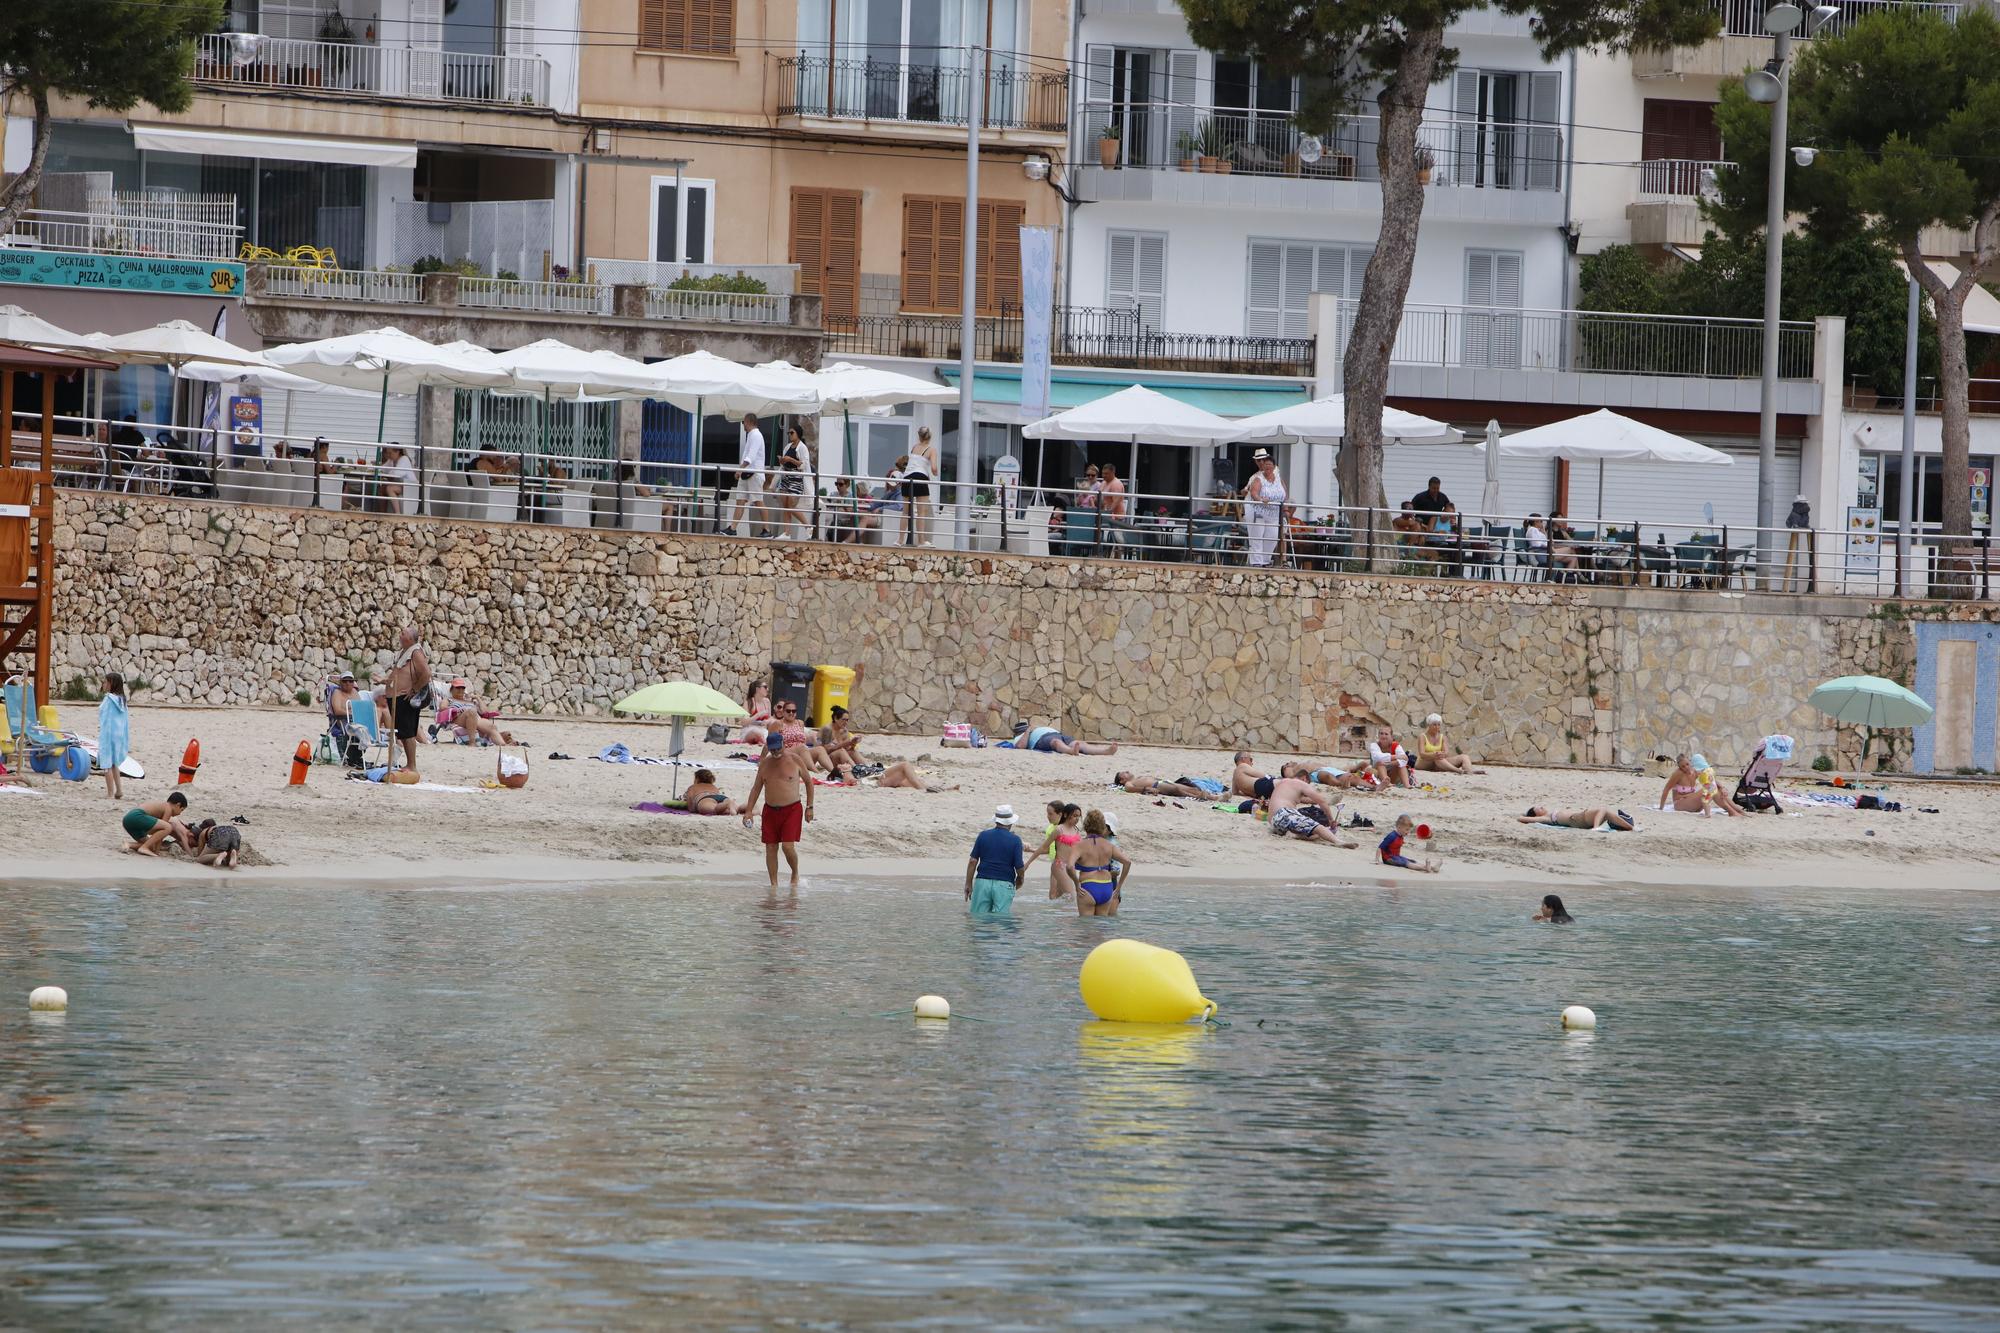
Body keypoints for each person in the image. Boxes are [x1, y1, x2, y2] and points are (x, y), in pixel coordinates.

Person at [742, 732, 812, 889]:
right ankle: (774, 884)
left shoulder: (795, 759)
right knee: (771, 847)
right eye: (772, 749)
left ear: (783, 744)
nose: (775, 752)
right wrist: (748, 811)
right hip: (770, 811)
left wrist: (810, 807)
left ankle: (795, 873)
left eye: (777, 749)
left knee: (787, 846)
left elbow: (809, 782)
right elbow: (756, 788)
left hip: (792, 809)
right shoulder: (765, 764)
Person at [1253, 776, 1359, 848]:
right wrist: (1331, 820)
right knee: (1318, 827)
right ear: (1304, 778)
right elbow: (1321, 801)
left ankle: (1295, 835)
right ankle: (1338, 842)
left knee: (1314, 833)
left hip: (1274, 823)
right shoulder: (1301, 784)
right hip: (1284, 813)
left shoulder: (1283, 783)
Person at [383, 626, 431, 771]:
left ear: (410, 638)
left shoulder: (415, 652)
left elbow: (426, 673)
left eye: (403, 633)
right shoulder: (405, 652)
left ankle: (411, 765)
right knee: (403, 732)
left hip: (405, 697)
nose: (400, 635)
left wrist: (414, 689)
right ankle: (409, 764)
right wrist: (384, 681)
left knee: (408, 732)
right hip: (397, 697)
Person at [965, 804, 1027, 915]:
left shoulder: (983, 836)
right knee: (1000, 920)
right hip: (1004, 884)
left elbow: (972, 861)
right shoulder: (1015, 840)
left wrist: (968, 883)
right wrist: (1020, 879)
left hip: (982, 882)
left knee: (978, 918)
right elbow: (1019, 866)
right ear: (1010, 822)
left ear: (996, 820)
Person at [1069, 810, 1130, 916]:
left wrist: (1076, 884)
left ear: (1086, 825)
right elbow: (1127, 862)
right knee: (1101, 924)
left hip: (1088, 887)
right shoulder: (1109, 845)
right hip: (1106, 888)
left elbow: (1069, 866)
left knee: (1086, 924)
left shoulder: (1079, 845)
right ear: (1102, 826)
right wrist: (1118, 887)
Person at [1023, 801, 1083, 899]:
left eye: (1078, 816)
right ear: (1066, 815)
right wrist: (1028, 863)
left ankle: (1055, 908)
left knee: (1059, 896)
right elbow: (1043, 847)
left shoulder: (1076, 830)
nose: (1077, 819)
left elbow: (1080, 850)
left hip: (1070, 867)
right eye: (1075, 816)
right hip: (1059, 865)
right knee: (1071, 896)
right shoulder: (1059, 829)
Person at [724, 412, 767, 538]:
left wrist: (740, 469)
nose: (743, 425)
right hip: (747, 473)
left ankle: (767, 529)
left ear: (748, 422)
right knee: (740, 500)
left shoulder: (756, 435)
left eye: (743, 422)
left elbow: (751, 456)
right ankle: (733, 528)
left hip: (754, 473)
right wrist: (742, 470)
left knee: (758, 501)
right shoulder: (751, 435)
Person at [1243, 448, 1287, 568]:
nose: (1262, 463)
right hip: (1257, 510)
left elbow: (1284, 491)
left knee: (1272, 536)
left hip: (1274, 512)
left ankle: (1265, 560)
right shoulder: (1256, 477)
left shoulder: (1277, 474)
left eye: (1264, 460)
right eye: (1259, 461)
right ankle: (1256, 562)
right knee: (1257, 534)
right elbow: (1253, 492)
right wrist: (1260, 499)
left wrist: (1285, 506)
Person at [901, 426, 937, 546]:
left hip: (907, 478)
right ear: (930, 436)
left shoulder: (914, 447)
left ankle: (899, 540)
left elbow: (916, 463)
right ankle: (921, 541)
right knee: (921, 512)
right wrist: (935, 473)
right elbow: (933, 468)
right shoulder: (931, 450)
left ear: (919, 436)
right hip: (920, 478)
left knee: (905, 512)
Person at [123, 791, 190, 857]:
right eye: (181, 810)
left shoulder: (163, 806)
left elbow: (159, 832)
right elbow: (163, 830)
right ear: (178, 805)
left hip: (128, 820)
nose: (180, 813)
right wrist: (157, 852)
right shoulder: (168, 808)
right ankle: (144, 847)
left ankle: (129, 844)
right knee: (168, 827)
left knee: (151, 846)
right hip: (137, 815)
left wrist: (155, 850)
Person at [1414, 713, 1483, 775]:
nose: (1437, 727)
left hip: (1439, 763)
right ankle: (1458, 770)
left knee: (1464, 757)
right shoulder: (1422, 736)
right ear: (1429, 725)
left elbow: (1446, 753)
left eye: (1438, 725)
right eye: (1434, 725)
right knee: (1437, 757)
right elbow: (1422, 754)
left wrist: (1441, 754)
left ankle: (1469, 771)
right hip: (1424, 763)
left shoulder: (1443, 737)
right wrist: (1433, 754)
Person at [97, 671, 130, 800]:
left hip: (108, 734)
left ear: (112, 684)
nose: (104, 684)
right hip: (118, 735)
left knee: (106, 764)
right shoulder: (122, 700)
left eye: (106, 682)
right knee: (114, 763)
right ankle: (119, 790)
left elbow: (104, 716)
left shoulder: (109, 699)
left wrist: (102, 729)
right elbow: (125, 720)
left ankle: (110, 793)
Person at [775, 425, 811, 538]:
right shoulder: (788, 446)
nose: (790, 435)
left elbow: (804, 464)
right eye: (789, 433)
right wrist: (782, 460)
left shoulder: (802, 448)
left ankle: (808, 526)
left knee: (791, 505)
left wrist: (790, 459)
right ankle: (787, 532)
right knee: (785, 505)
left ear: (798, 434)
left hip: (796, 477)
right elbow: (784, 463)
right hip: (786, 476)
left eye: (792, 433)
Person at [1014, 721, 1117, 756]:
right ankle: (1070, 751)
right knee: (1056, 742)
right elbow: (1020, 746)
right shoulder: (1019, 737)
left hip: (1056, 734)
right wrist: (1027, 731)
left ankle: (1105, 751)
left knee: (1078, 743)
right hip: (1041, 739)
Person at [1281, 759, 1377, 791]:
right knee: (1327, 776)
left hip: (1327, 768)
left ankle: (1373, 786)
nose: (1291, 761)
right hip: (1315, 773)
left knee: (1352, 776)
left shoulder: (1296, 766)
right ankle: (1341, 784)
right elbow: (1289, 777)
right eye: (1288, 763)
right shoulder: (1291, 770)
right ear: (1286, 767)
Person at [1519, 805, 1635, 831]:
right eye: (1539, 808)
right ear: (1536, 815)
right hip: (1578, 819)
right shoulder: (1544, 818)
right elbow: (1523, 819)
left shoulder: (1548, 815)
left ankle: (1630, 827)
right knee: (1603, 810)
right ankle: (1596, 828)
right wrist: (1523, 817)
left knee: (1608, 814)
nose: (1542, 807)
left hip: (1579, 817)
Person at [1098, 464, 1129, 549]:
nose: (1104, 476)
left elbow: (1116, 502)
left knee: (1117, 541)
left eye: (1106, 474)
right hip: (1106, 515)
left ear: (1113, 472)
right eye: (1103, 473)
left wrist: (1107, 513)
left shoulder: (1116, 484)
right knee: (1106, 539)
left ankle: (1116, 555)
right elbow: (1099, 497)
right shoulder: (1104, 483)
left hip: (1116, 517)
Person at [379, 443, 417, 512]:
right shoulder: (391, 460)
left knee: (390, 488)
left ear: (397, 452)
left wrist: (386, 473)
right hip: (401, 485)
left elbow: (397, 473)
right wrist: (375, 469)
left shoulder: (404, 459)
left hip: (410, 487)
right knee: (382, 489)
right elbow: (382, 469)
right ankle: (382, 512)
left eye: (390, 453)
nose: (388, 455)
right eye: (387, 453)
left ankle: (397, 513)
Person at [1113, 771, 1206, 799]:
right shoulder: (1128, 783)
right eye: (1124, 773)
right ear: (1122, 781)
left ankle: (1211, 797)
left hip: (1163, 782)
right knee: (1176, 790)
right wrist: (1146, 789)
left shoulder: (1138, 778)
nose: (1127, 771)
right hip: (1157, 785)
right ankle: (1197, 797)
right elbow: (1129, 789)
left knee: (1192, 789)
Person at [877, 760, 956, 792]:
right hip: (876, 777)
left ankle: (940, 790)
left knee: (908, 780)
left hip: (878, 774)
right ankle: (923, 790)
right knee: (905, 765)